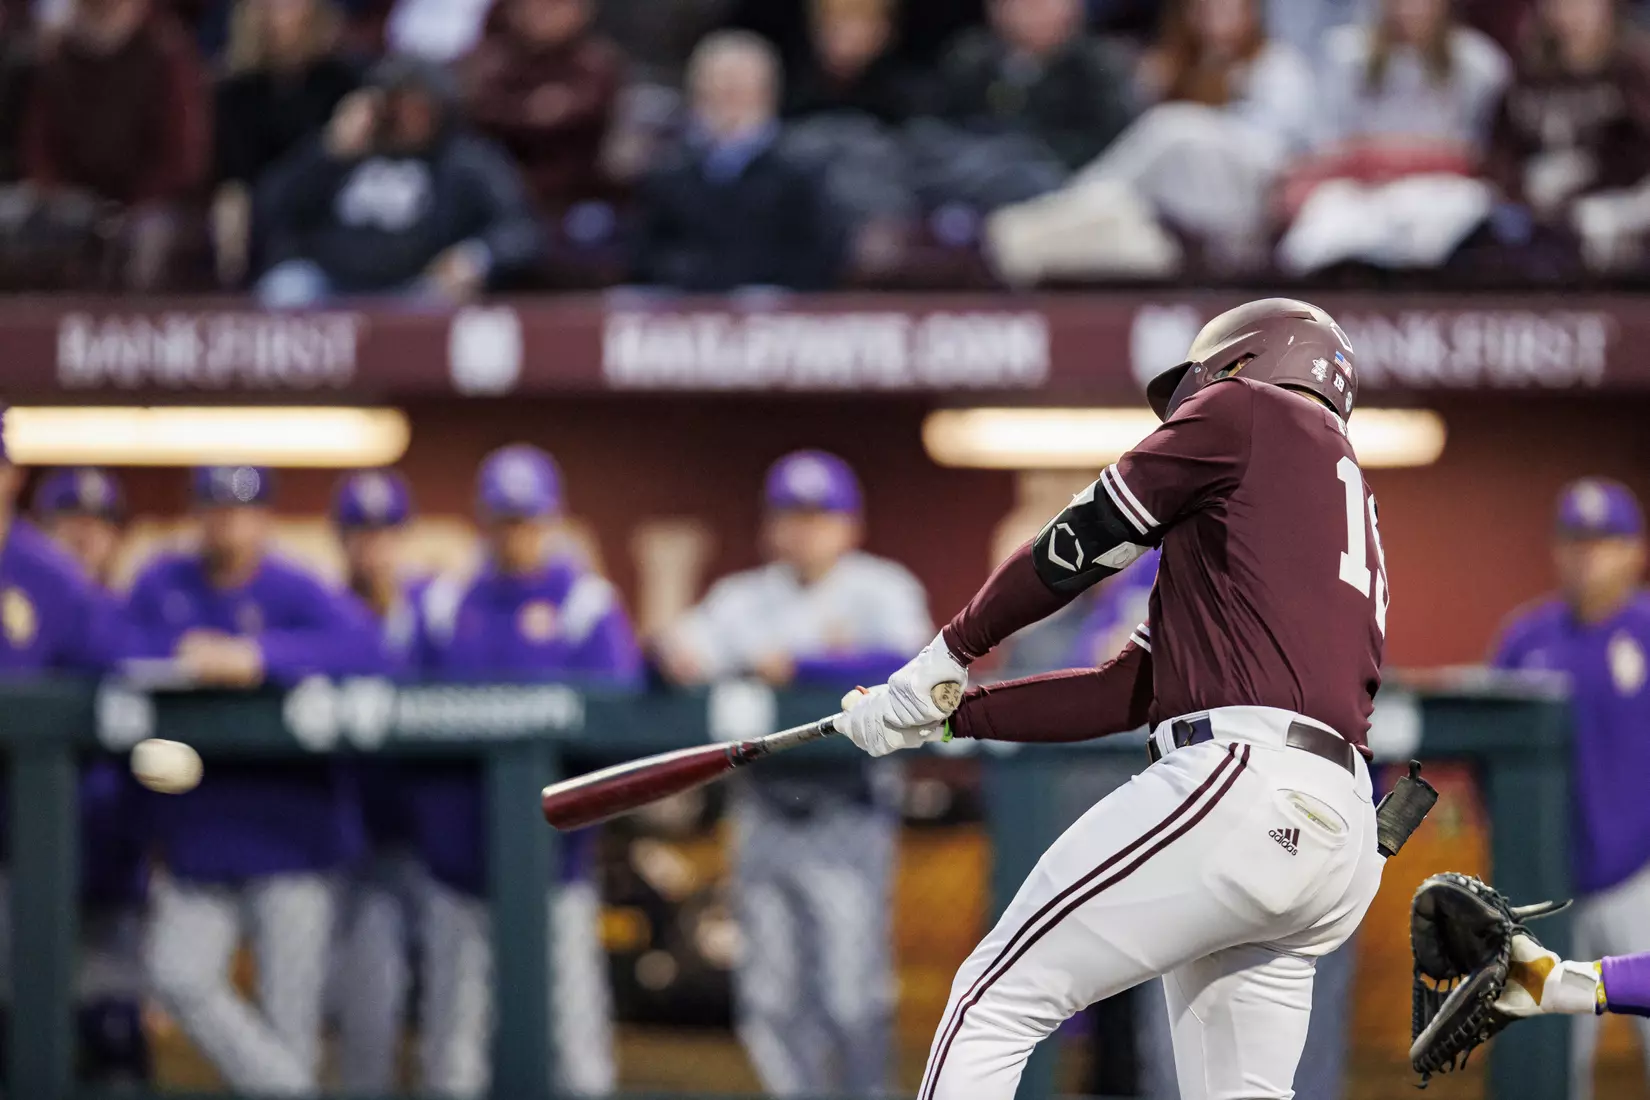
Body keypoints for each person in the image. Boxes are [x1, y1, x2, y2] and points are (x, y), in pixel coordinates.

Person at [836, 298, 1388, 1100]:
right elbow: (1125, 692)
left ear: (1236, 364)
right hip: (1337, 833)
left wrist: (950, 648)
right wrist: (950, 711)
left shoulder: (1246, 410)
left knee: (991, 1000)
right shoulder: (1331, 509)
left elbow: (1084, 537)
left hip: (1242, 781)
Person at [658, 449, 932, 1098]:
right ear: (770, 525)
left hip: (848, 812)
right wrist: (673, 652)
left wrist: (803, 666)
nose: (804, 529)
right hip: (765, 813)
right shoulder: (743, 598)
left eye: (819, 515)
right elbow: (677, 650)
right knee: (771, 1001)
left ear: (849, 524)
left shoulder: (881, 588)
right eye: (791, 514)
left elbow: (915, 664)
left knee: (850, 997)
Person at [128, 465, 379, 1096]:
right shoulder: (166, 582)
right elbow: (108, 639)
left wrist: (260, 657)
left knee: (290, 1017)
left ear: (265, 518)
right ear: (198, 515)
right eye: (215, 509)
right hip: (200, 838)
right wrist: (182, 650)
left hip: (292, 838)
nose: (228, 524)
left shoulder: (294, 589)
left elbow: (367, 648)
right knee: (177, 975)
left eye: (242, 511)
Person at [412, 443, 641, 1096]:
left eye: (528, 520)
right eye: (503, 519)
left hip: (555, 869)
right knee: (451, 1061)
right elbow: (397, 722)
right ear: (481, 521)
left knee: (577, 1058)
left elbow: (618, 732)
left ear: (553, 520)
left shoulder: (586, 604)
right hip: (458, 870)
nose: (515, 535)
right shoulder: (442, 603)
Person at [1489, 478, 1650, 1099]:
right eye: (1575, 541)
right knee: (1552, 1063)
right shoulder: (1525, 640)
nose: (1588, 555)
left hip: (1640, 879)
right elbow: (1490, 761)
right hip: (1549, 894)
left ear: (1635, 551)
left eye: (1605, 541)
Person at [988, 0, 1315, 283]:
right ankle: (1041, 229)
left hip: (1249, 201)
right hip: (1177, 201)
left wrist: (1205, 125)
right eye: (1204, 8)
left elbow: (1280, 156)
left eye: (1227, 6)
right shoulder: (1174, 65)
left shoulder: (1277, 66)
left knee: (1172, 128)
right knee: (1117, 215)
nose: (1215, 16)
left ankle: (1070, 199)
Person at [29, 465, 152, 1085]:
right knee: (22, 1037)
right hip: (19, 859)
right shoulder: (23, 602)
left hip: (110, 862)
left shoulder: (136, 615)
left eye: (99, 526)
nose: (84, 538)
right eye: (69, 525)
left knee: (113, 1040)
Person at [255, 54, 543, 306]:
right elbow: (272, 207)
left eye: (418, 106)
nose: (407, 116)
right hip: (330, 283)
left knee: (438, 301)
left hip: (416, 288)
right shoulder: (342, 151)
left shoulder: (466, 161)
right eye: (397, 104)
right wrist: (329, 152)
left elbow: (520, 229)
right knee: (285, 289)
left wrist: (476, 257)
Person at [1277, 0, 1511, 274]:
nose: (1409, 9)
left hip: (1441, 191)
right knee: (1324, 222)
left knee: (1469, 205)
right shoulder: (1345, 53)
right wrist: (1381, 159)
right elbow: (1326, 145)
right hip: (1361, 191)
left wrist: (1402, 158)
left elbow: (1478, 153)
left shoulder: (1480, 63)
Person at [326, 469, 426, 1094]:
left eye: (385, 531)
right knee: (365, 1009)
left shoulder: (431, 615)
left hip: (429, 840)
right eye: (360, 532)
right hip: (351, 839)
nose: (373, 546)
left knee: (452, 1012)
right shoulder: (321, 614)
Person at [13, 0, 208, 290]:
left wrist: (126, 209)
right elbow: (40, 145)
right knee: (23, 224)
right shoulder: (60, 54)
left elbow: (183, 158)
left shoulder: (166, 51)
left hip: (152, 204)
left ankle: (133, 329)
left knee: (148, 239)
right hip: (75, 201)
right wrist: (59, 195)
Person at [629, 30, 845, 291]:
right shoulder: (669, 170)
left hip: (774, 317)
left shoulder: (800, 169)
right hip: (689, 313)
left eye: (738, 89)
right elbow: (645, 254)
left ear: (768, 92)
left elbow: (821, 254)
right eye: (716, 87)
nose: (726, 98)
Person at [1486, 0, 1650, 273]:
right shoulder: (1527, 73)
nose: (1569, 14)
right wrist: (1521, 189)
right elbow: (1502, 151)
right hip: (1547, 216)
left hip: (1626, 205)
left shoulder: (1634, 70)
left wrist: (1614, 198)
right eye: (1558, 5)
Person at [213, 0, 361, 287]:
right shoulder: (236, 92)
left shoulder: (344, 82)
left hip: (332, 220)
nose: (274, 13)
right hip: (268, 224)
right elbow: (235, 175)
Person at [458, 0, 622, 220]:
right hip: (490, 185)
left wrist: (524, 111)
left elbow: (576, 117)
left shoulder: (596, 63)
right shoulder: (492, 57)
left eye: (554, 6)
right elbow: (475, 106)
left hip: (568, 196)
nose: (542, 14)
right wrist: (530, 110)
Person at [933, 0, 1134, 173]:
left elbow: (1114, 143)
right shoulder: (970, 57)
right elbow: (944, 124)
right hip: (977, 173)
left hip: (1068, 179)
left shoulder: (1099, 66)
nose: (1035, 14)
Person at [30, 466, 126, 587]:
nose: (85, 536)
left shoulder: (126, 598)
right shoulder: (21, 598)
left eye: (97, 527)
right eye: (73, 525)